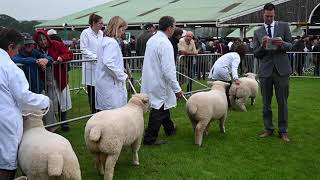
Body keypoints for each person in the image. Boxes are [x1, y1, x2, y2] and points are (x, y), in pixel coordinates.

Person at [0, 27, 49, 180]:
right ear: (10, 47)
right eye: (17, 49)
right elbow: (23, 97)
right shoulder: (10, 68)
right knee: (7, 161)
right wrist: (45, 100)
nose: (17, 52)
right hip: (5, 118)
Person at [253, 3, 292, 142]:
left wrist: (282, 44)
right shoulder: (257, 32)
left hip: (282, 71)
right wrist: (263, 46)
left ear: (274, 14)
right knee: (266, 103)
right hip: (265, 72)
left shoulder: (284, 26)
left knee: (283, 102)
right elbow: (256, 54)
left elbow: (290, 45)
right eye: (267, 16)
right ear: (263, 14)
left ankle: (283, 131)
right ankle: (268, 129)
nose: (269, 18)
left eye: (271, 16)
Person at [141, 16, 183, 145]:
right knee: (158, 107)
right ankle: (150, 138)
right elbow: (168, 70)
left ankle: (169, 129)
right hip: (160, 80)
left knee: (162, 105)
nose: (174, 29)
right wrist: (177, 89)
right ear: (170, 27)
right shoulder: (165, 43)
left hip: (151, 78)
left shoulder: (152, 39)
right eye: (174, 26)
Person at [33, 29, 73, 131]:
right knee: (51, 102)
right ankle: (53, 124)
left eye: (44, 39)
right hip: (47, 79)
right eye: (40, 40)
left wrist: (61, 58)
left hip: (59, 77)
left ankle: (64, 122)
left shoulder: (56, 44)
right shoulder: (36, 49)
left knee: (62, 101)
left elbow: (69, 54)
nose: (43, 42)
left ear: (47, 37)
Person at [95, 16, 128, 111]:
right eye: (122, 29)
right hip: (111, 84)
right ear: (116, 28)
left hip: (105, 82)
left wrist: (121, 68)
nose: (123, 32)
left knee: (107, 114)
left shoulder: (104, 40)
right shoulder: (111, 43)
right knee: (114, 115)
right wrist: (122, 75)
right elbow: (108, 63)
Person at [80, 13, 104, 114]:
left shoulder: (101, 33)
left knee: (101, 92)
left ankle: (101, 112)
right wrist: (96, 57)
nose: (102, 25)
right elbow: (83, 49)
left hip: (100, 67)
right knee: (92, 93)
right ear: (93, 23)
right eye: (100, 23)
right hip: (90, 67)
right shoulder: (85, 33)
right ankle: (94, 114)